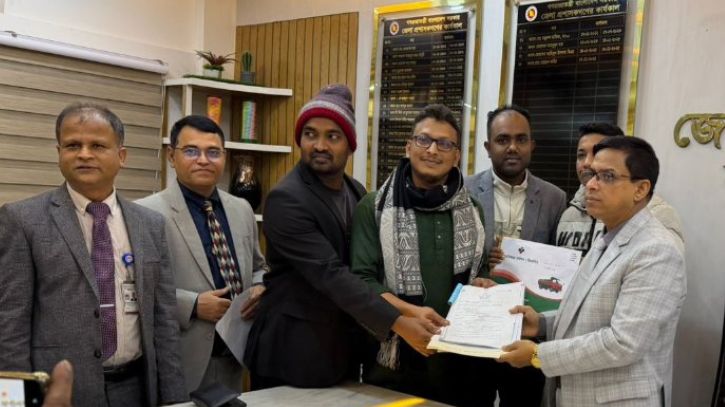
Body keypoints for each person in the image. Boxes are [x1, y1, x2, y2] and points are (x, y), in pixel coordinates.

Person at [244, 84, 444, 389]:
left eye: (333, 136)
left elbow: (362, 269)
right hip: (293, 353)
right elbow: (331, 275)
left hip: (341, 349)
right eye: (310, 134)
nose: (320, 145)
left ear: (350, 145)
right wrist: (400, 323)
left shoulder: (355, 191)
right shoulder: (287, 199)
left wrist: (411, 309)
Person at [0, 102, 186, 406]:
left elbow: (164, 320)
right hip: (59, 391)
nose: (84, 154)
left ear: (121, 156)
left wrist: (175, 399)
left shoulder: (150, 224)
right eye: (73, 145)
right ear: (59, 152)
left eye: (97, 145)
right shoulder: (22, 220)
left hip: (136, 388)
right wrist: (13, 402)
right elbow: (10, 325)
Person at [499, 136, 687, 407]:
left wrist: (538, 355)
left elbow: (623, 343)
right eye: (593, 175)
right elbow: (588, 313)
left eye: (607, 176)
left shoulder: (657, 249)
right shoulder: (607, 234)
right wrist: (541, 323)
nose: (591, 184)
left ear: (641, 189)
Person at [351, 104, 497, 406]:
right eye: (423, 140)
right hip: (394, 363)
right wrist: (409, 314)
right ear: (408, 147)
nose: (432, 150)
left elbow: (478, 271)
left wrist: (483, 283)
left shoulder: (473, 210)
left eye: (444, 144)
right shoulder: (374, 207)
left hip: (461, 364)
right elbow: (362, 282)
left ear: (456, 156)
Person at [136, 115, 267, 393]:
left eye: (213, 152)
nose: (203, 160)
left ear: (224, 157)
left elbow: (259, 266)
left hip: (235, 353)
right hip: (181, 357)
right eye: (191, 151)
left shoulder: (242, 208)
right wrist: (193, 305)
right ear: (171, 156)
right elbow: (137, 286)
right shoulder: (146, 213)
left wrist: (259, 287)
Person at [464, 104, 567, 405]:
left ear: (532, 145)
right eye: (502, 139)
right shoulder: (463, 190)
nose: (512, 147)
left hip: (526, 330)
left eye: (521, 139)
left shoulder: (554, 197)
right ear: (488, 147)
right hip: (476, 326)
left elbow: (557, 264)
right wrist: (485, 263)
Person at [556, 122, 684, 255]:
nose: (587, 162)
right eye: (581, 155)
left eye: (597, 153)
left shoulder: (658, 214)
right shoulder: (569, 214)